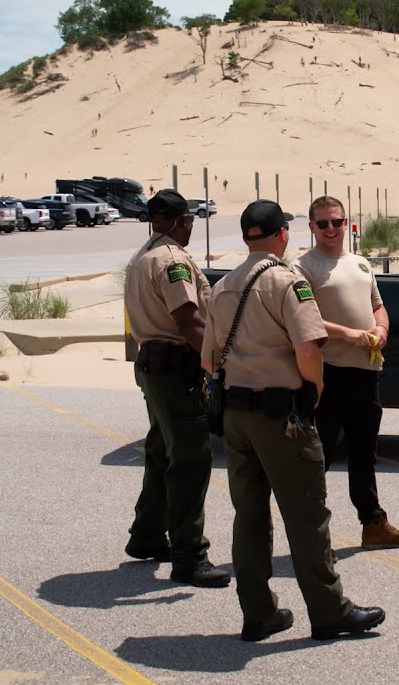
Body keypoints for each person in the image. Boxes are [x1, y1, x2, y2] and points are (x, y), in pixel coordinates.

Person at [202, 198, 385, 641]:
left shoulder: (224, 285)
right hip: (280, 415)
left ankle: (259, 613)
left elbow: (208, 359)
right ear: (283, 233)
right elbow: (309, 350)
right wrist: (314, 391)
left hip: (236, 415)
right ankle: (329, 612)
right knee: (307, 516)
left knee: (248, 516)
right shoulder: (287, 282)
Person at [293, 196, 399, 550]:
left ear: (346, 223)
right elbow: (302, 317)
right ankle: (309, 532)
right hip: (327, 375)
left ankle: (374, 525)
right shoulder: (304, 267)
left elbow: (378, 306)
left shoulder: (361, 264)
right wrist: (348, 334)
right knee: (319, 456)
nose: (331, 229)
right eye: (323, 224)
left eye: (336, 222)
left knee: (364, 454)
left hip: (366, 373)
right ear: (312, 227)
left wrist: (381, 330)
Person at [123, 189, 229, 588]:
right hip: (174, 371)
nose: (189, 228)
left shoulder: (143, 255)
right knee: (189, 460)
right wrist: (221, 358)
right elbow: (189, 321)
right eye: (189, 221)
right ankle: (189, 556)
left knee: (161, 451)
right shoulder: (171, 261)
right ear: (181, 221)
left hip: (153, 367)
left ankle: (148, 535)